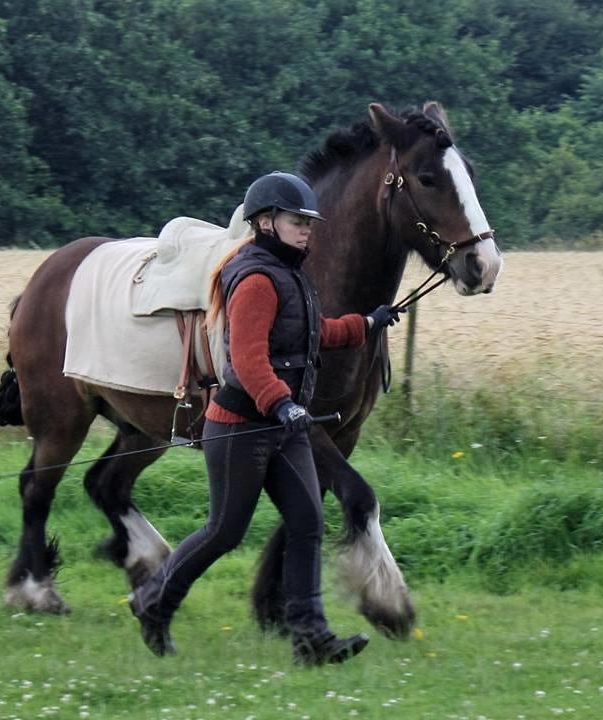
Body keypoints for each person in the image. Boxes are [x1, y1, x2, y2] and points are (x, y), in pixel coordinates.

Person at [129, 172, 400, 665]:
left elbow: (314, 332)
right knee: (224, 532)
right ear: (266, 222)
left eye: (309, 223)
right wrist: (283, 403)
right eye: (298, 222)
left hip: (282, 427)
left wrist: (367, 324)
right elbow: (247, 361)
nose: (307, 231)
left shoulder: (291, 274)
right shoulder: (255, 278)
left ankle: (311, 637)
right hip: (240, 429)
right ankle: (153, 603)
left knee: (306, 522)